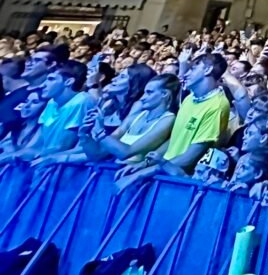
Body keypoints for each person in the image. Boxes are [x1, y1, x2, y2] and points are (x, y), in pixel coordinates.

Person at [115, 52, 230, 189]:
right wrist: (144, 164)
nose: (187, 73)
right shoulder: (189, 99)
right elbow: (174, 140)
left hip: (180, 183)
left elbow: (190, 156)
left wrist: (143, 172)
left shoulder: (217, 105)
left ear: (208, 69)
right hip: (163, 173)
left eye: (193, 68)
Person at [0, 59, 95, 163]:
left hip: (67, 169)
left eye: (51, 79)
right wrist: (15, 153)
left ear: (68, 81)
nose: (43, 85)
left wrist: (25, 154)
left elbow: (62, 147)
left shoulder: (82, 100)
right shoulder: (52, 103)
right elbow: (38, 143)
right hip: (44, 165)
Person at [79, 73, 179, 163]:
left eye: (149, 92)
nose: (143, 97)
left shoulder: (168, 120)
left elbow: (125, 153)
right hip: (113, 173)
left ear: (164, 94)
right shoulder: (135, 117)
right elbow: (97, 154)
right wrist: (84, 135)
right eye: (144, 92)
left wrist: (100, 131)